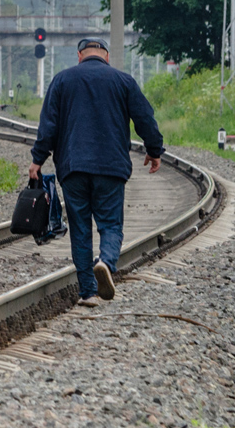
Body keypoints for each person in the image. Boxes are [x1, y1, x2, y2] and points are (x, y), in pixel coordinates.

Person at [29, 37, 165, 308]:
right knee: (111, 224)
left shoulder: (62, 80)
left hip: (73, 167)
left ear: (79, 56)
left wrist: (37, 159)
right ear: (106, 56)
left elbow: (49, 125)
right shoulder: (123, 81)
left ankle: (88, 292)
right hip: (110, 167)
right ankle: (105, 262)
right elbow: (145, 118)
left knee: (81, 229)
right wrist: (154, 150)